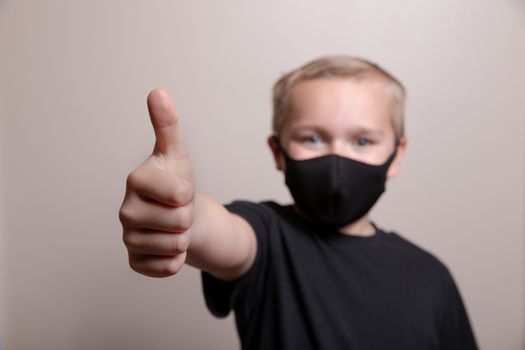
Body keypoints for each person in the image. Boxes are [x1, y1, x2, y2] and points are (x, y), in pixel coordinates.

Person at [119, 55, 478, 349]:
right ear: (278, 153)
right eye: (313, 138)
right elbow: (224, 235)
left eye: (363, 142)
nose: (338, 160)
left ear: (396, 156)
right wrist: (181, 215)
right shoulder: (267, 237)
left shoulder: (432, 277)